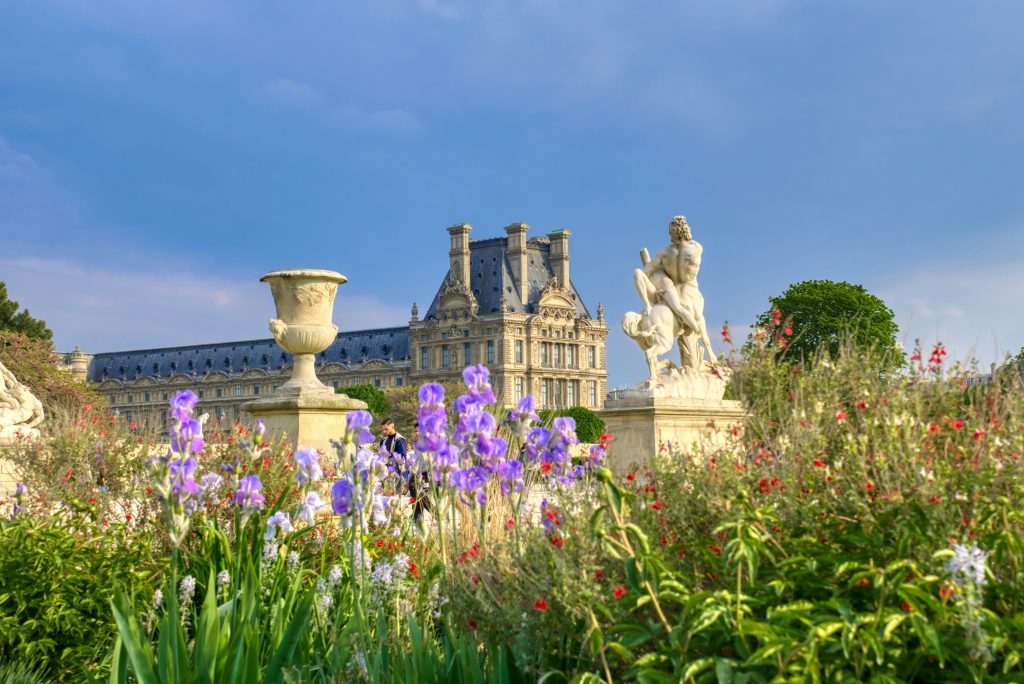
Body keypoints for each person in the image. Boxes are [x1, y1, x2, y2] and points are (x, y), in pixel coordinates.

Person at [632, 215, 717, 370]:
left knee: (639, 274)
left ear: (671, 233)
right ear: (687, 230)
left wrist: (660, 275)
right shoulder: (696, 248)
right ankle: (710, 352)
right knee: (698, 320)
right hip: (688, 291)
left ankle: (648, 305)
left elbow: (648, 269)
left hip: (669, 292)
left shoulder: (664, 253)